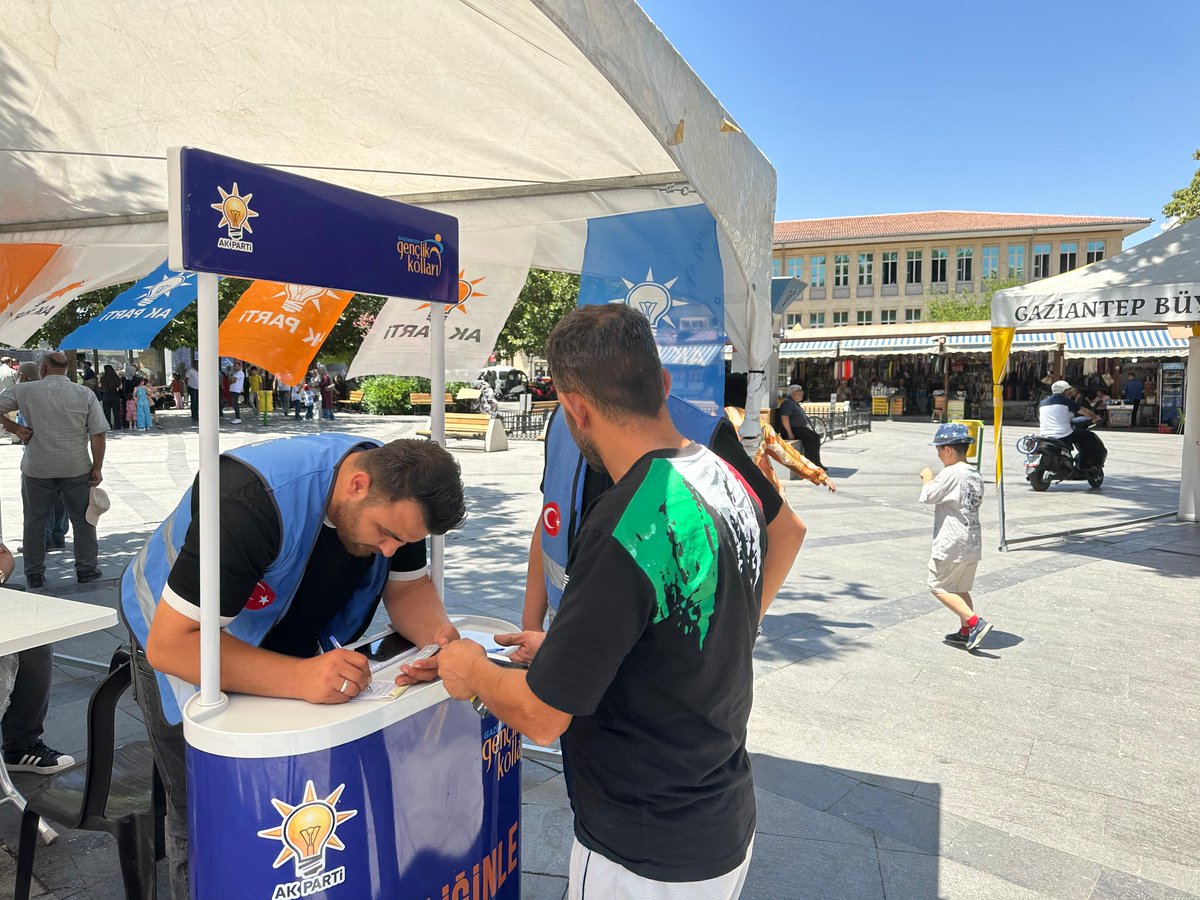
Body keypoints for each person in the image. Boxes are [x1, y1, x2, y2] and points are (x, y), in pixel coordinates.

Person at [439, 305, 792, 898]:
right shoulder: (722, 475)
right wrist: (567, 651)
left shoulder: (629, 519)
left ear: (574, 407)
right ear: (664, 384)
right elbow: (683, 632)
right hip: (718, 817)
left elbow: (542, 718)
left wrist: (470, 668)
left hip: (642, 849)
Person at [119, 434, 466, 898]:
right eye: (386, 534)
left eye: (401, 541)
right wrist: (299, 677)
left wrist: (443, 644)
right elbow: (174, 645)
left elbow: (406, 589)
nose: (389, 550)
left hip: (272, 638)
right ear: (358, 484)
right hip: (175, 635)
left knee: (279, 797)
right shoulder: (248, 502)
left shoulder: (398, 495)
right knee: (202, 808)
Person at [524, 378, 808, 633]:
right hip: (567, 635)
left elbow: (787, 531)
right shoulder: (562, 420)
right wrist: (530, 625)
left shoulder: (698, 430)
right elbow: (551, 514)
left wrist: (737, 636)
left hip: (655, 662)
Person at [0, 352, 107, 590]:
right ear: (66, 370)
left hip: (37, 467)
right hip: (76, 467)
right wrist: (97, 467)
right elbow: (97, 433)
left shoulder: (25, 390)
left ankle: (35, 573)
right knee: (83, 520)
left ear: (43, 369)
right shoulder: (84, 393)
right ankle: (86, 569)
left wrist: (15, 427)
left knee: (35, 521)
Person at [919, 423, 990, 651]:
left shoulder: (951, 472)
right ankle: (965, 631)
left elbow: (928, 496)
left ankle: (974, 623)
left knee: (937, 585)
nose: (938, 455)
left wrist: (927, 477)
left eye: (939, 450)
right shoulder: (974, 473)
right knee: (960, 587)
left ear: (948, 449)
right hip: (972, 539)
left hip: (952, 541)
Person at [777, 383, 825, 470]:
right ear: (793, 393)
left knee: (816, 437)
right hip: (793, 430)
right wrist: (790, 433)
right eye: (800, 391)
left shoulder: (794, 403)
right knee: (810, 439)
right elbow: (784, 418)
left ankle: (817, 463)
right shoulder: (788, 402)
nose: (802, 393)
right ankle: (809, 465)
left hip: (799, 429)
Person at [98, 364, 123, 429]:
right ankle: (117, 426)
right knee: (116, 411)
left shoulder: (103, 377)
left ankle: (108, 425)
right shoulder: (116, 377)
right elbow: (120, 387)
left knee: (106, 411)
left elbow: (100, 386)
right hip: (114, 394)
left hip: (106, 395)